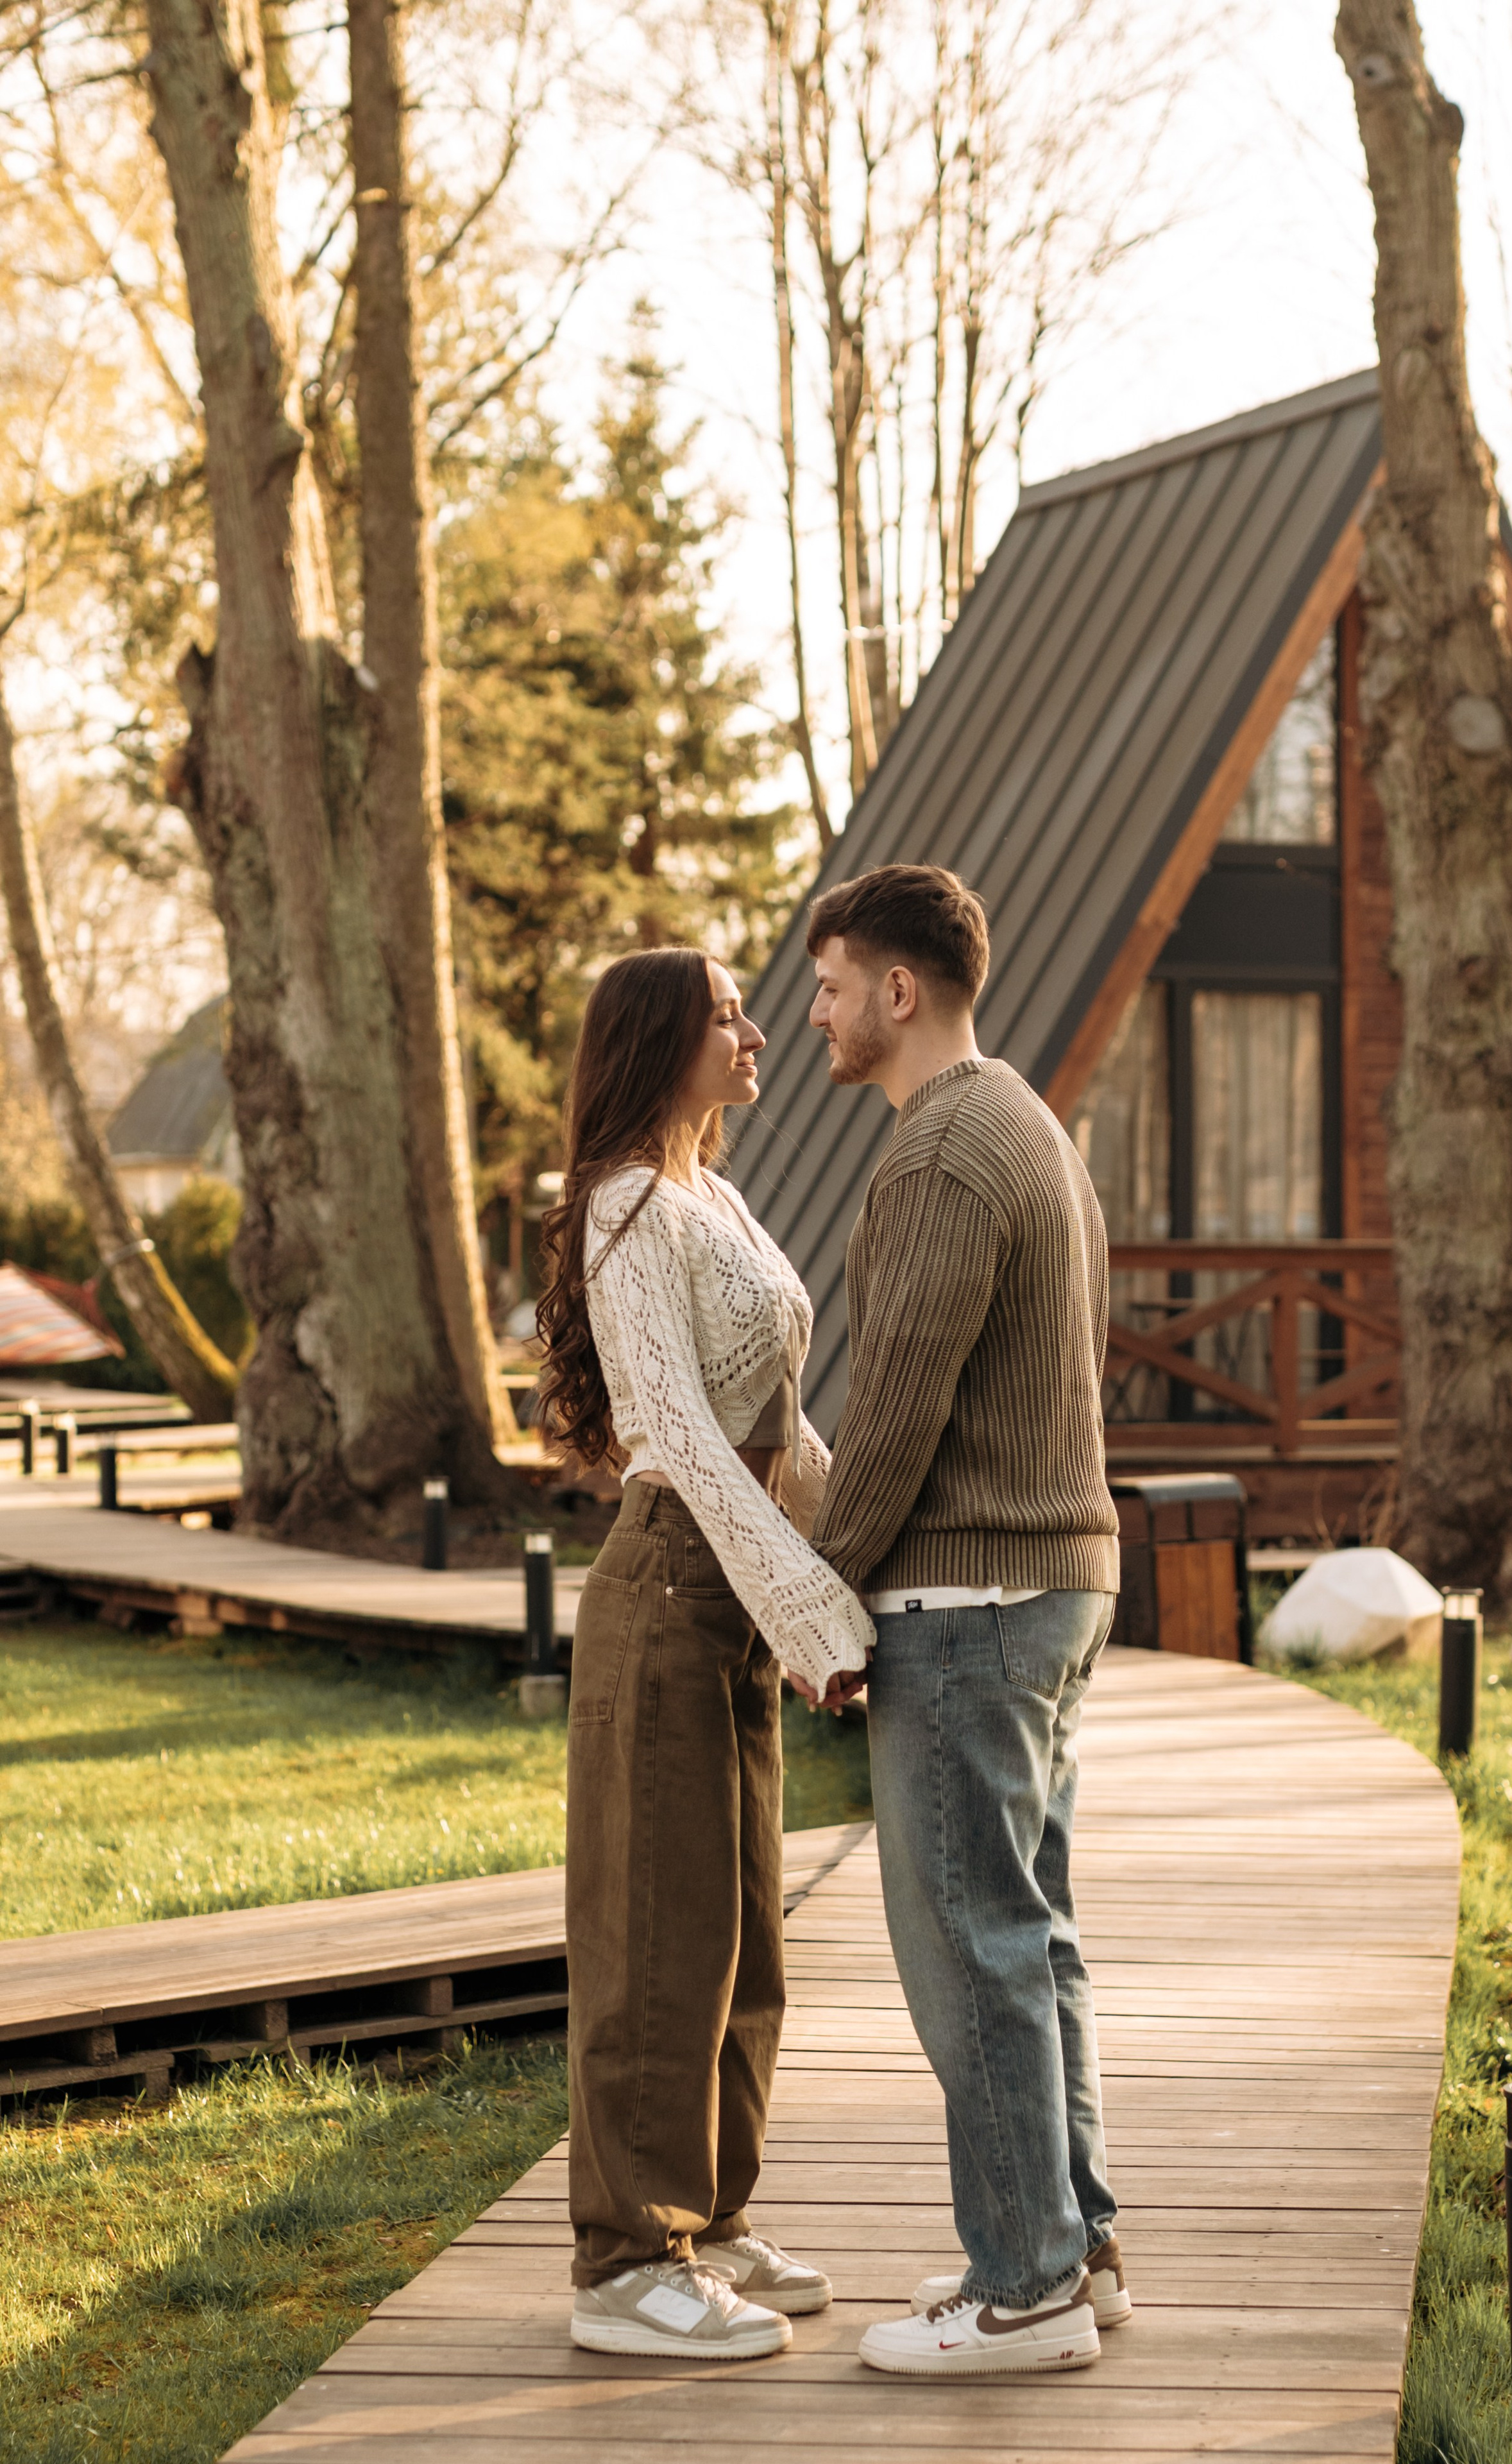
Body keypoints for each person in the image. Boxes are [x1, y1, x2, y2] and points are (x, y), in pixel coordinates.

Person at [803, 863, 1130, 2379]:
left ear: (898, 990)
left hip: (970, 1598)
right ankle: (1070, 2244)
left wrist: (816, 1598)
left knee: (970, 1944)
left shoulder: (940, 1151)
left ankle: (1025, 2294)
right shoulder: (1027, 1124)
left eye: (829, 986)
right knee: (1031, 1933)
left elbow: (893, 1414)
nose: (815, 1014)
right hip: (1050, 1584)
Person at [536, 946, 874, 2362]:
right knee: (657, 1936)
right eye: (726, 1014)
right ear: (660, 1041)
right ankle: (626, 2260)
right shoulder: (626, 1205)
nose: (756, 1032)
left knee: (742, 1934)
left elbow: (780, 1428)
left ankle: (712, 2219)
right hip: (672, 1579)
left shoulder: (711, 1197)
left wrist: (859, 1549)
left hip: (730, 1589)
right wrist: (810, 1610)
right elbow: (678, 1434)